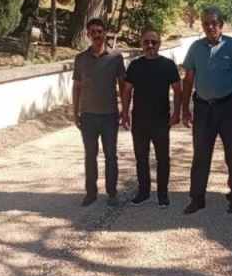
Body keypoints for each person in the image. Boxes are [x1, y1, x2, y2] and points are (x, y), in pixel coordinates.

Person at [181, 5, 232, 214]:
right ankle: (197, 198)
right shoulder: (195, 48)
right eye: (206, 23)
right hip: (203, 109)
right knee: (200, 154)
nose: (210, 27)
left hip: (230, 107)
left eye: (214, 23)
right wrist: (185, 110)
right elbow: (188, 80)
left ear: (221, 24)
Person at [120, 29, 182, 208]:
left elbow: (178, 90)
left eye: (154, 42)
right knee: (141, 158)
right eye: (146, 42)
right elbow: (127, 91)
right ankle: (144, 192)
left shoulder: (168, 65)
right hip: (139, 119)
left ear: (159, 44)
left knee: (163, 158)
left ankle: (163, 194)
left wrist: (176, 113)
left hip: (161, 120)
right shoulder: (135, 66)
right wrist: (125, 113)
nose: (150, 45)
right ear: (141, 43)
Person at [72, 18, 126, 206]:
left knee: (111, 155)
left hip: (110, 115)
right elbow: (77, 87)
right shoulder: (80, 59)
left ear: (105, 33)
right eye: (93, 32)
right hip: (88, 116)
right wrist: (75, 113)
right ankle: (91, 193)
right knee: (90, 155)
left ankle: (112, 192)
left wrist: (125, 110)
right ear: (88, 35)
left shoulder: (116, 57)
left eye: (99, 31)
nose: (96, 35)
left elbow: (123, 85)